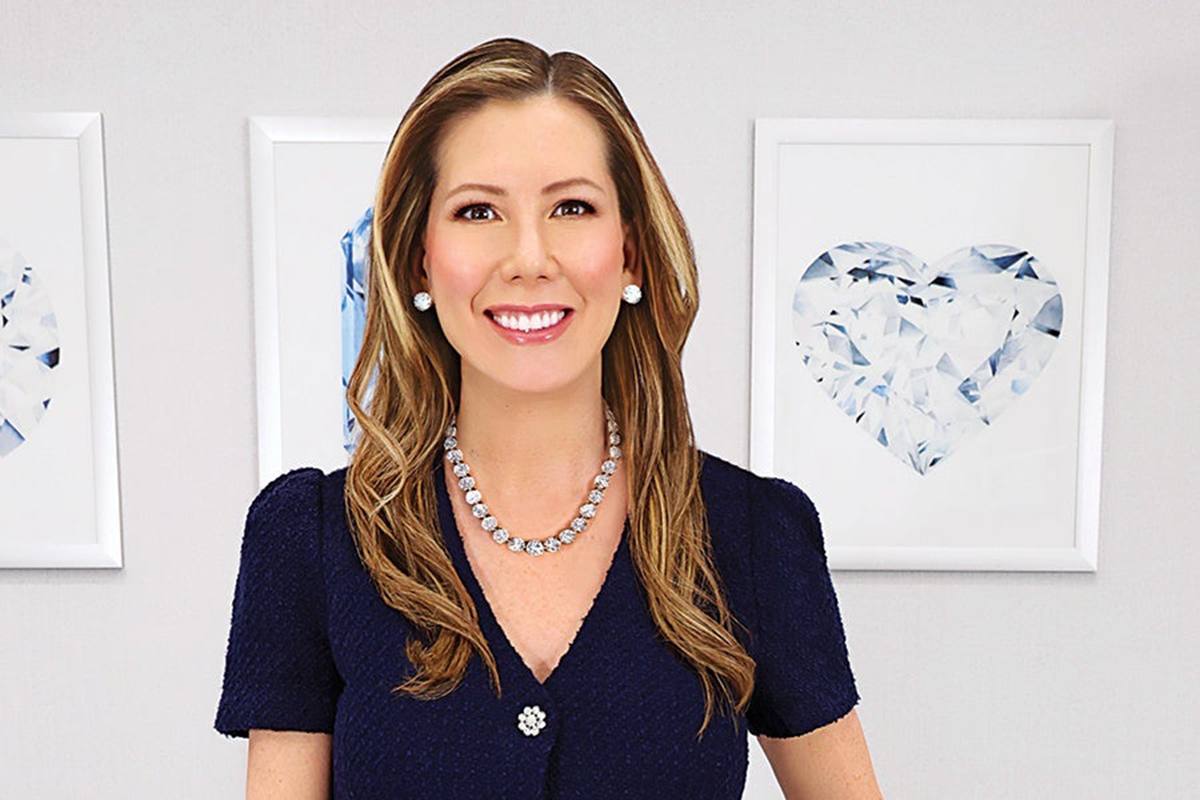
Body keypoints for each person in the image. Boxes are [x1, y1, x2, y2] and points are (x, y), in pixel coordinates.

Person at [215, 36, 883, 799]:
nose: (529, 257)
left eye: (572, 207)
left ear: (630, 251)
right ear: (418, 261)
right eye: (477, 211)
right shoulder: (311, 539)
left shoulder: (755, 536)